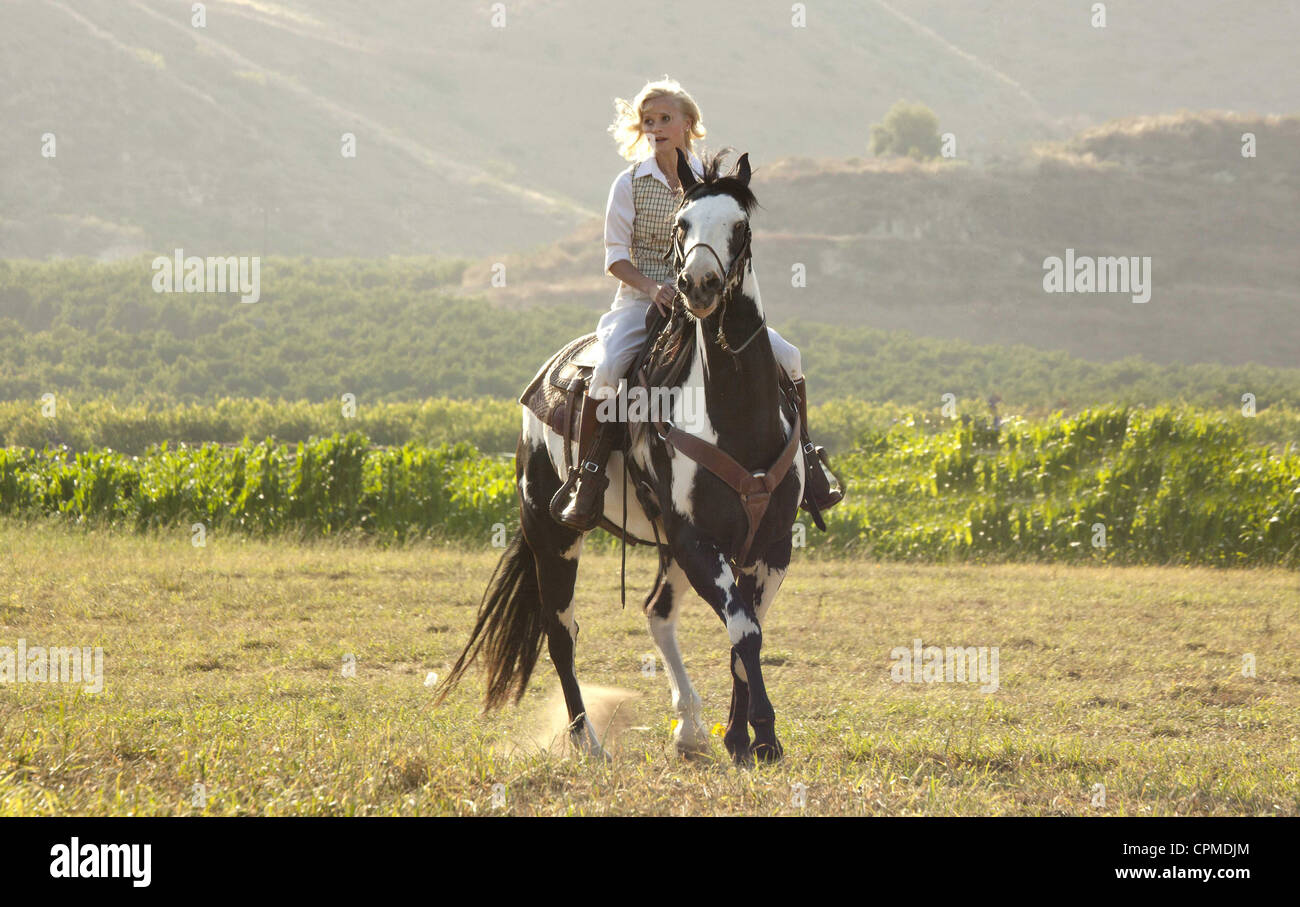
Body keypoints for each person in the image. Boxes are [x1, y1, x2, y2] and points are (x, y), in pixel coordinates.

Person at [550, 76, 842, 531]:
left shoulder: (710, 185)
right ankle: (585, 479)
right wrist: (652, 288)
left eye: (665, 118)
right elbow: (615, 258)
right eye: (648, 121)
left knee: (789, 356)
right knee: (607, 369)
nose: (656, 127)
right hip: (641, 300)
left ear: (689, 123)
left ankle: (808, 458)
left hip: (710, 304)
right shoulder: (627, 185)